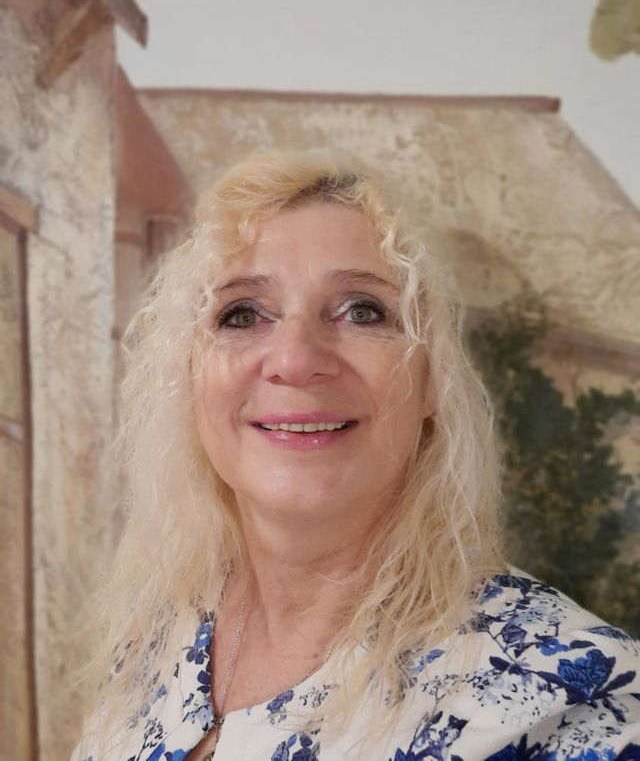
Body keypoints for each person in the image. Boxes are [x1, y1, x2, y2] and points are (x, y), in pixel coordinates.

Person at [73, 151, 640, 761]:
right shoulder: (161, 636)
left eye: (362, 310)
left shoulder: (574, 699)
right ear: (191, 379)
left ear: (431, 381)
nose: (295, 359)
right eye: (242, 314)